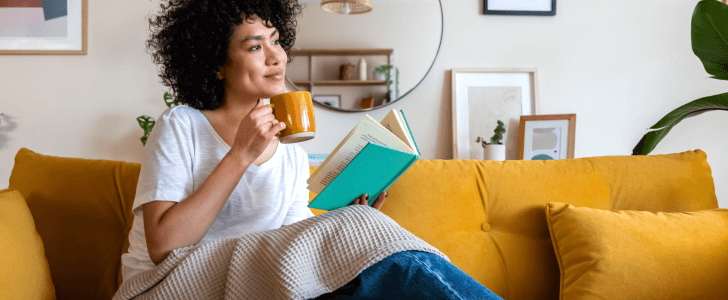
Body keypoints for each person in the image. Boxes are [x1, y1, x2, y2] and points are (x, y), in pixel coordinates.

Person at [121, 0, 503, 299]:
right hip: (171, 284)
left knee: (374, 262)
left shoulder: (289, 151)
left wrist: (349, 218)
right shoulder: (182, 125)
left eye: (275, 40)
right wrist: (240, 155)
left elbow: (294, 247)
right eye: (255, 46)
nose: (276, 57)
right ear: (216, 64)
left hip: (255, 284)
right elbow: (163, 245)